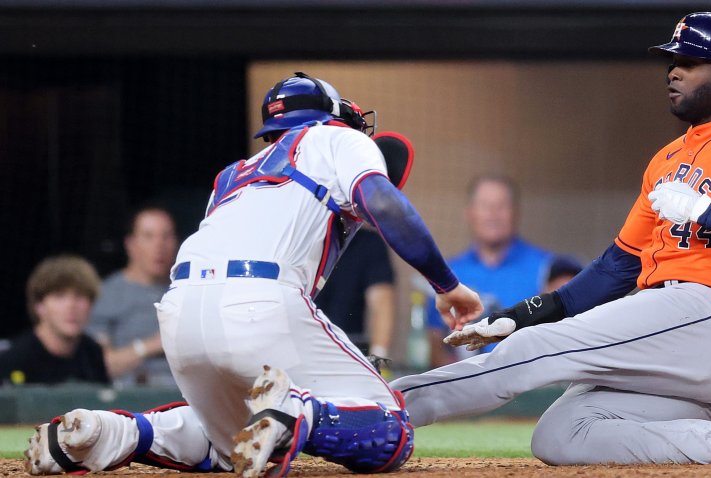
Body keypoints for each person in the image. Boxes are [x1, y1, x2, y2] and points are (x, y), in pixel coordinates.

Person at [392, 12, 711, 465]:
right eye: (671, 61)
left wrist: (710, 213)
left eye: (688, 61)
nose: (673, 71)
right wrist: (520, 315)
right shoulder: (668, 158)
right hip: (679, 339)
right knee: (562, 435)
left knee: (535, 349)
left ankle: (385, 410)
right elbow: (619, 265)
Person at [25, 72, 482, 477]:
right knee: (392, 430)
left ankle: (112, 433)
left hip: (180, 309)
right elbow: (382, 203)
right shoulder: (336, 138)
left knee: (227, 446)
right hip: (260, 300)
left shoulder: (232, 176)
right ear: (329, 117)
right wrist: (447, 285)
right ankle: (298, 413)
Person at [427, 175, 552, 366]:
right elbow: (434, 343)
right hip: (466, 388)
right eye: (485, 206)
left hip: (533, 386)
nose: (493, 215)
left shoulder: (547, 268)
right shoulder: (448, 273)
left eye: (501, 206)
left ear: (516, 213)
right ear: (469, 213)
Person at [88, 206, 178, 386]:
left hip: (189, 398)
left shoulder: (188, 291)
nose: (159, 245)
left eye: (166, 236)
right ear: (131, 244)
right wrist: (154, 344)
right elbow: (99, 366)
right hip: (131, 400)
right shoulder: (106, 294)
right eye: (149, 236)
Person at [0, 255, 108, 385]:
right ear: (39, 306)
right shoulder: (14, 359)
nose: (71, 306)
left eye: (79, 296)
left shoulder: (92, 353)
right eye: (59, 296)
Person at [314, 227, 395, 359]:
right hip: (301, 344)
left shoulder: (368, 243)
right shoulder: (303, 239)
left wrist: (378, 358)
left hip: (349, 351)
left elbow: (381, 303)